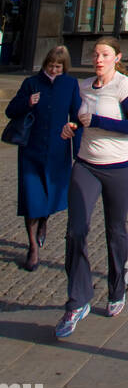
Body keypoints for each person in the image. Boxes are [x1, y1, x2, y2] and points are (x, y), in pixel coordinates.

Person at [55, 37, 128, 340]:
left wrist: (100, 121)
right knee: (75, 229)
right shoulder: (81, 88)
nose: (99, 59)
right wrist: (71, 127)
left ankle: (117, 289)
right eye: (96, 55)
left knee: (115, 230)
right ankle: (77, 300)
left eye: (105, 55)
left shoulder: (125, 88)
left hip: (119, 168)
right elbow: (75, 119)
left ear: (117, 58)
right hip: (86, 165)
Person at [5, 46, 81, 272]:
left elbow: (76, 117)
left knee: (51, 195)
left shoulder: (70, 84)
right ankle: (33, 249)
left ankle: (44, 221)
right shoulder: (31, 83)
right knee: (31, 198)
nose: (54, 70)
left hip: (58, 150)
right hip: (31, 150)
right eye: (51, 66)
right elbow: (11, 110)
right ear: (45, 64)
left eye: (58, 67)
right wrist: (28, 102)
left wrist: (77, 149)